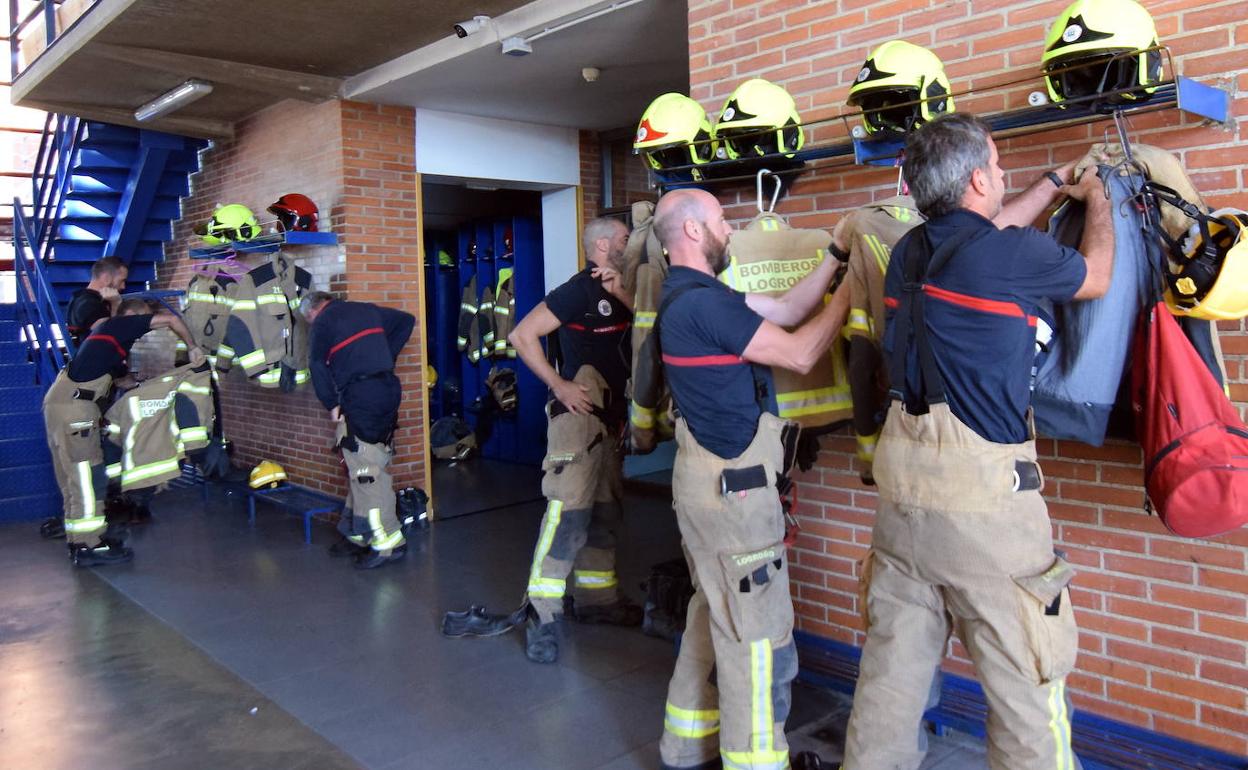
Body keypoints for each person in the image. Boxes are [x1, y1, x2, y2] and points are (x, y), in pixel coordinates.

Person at [841, 113, 1113, 770]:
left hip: (902, 503)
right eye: (995, 165)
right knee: (1027, 688)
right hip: (984, 511)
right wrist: (1099, 196)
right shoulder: (1012, 255)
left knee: (890, 685)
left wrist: (1051, 184)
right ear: (976, 179)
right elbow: (1097, 274)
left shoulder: (909, 250)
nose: (1002, 175)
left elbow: (987, 232)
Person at [652, 188, 849, 770]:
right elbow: (799, 352)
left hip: (707, 485)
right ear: (692, 232)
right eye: (720, 220)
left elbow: (787, 310)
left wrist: (836, 255)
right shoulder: (702, 305)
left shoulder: (696, 297)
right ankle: (757, 761)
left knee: (712, 615)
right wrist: (853, 293)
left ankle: (686, 747)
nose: (731, 229)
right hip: (732, 494)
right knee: (755, 638)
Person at [505, 216, 642, 664]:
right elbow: (522, 336)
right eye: (624, 238)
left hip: (610, 421)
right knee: (568, 514)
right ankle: (540, 613)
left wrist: (621, 290)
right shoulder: (576, 290)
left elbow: (649, 327)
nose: (629, 243)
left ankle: (597, 601)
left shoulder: (624, 288)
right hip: (576, 423)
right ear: (603, 244)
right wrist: (559, 384)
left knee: (604, 513)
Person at [44, 298, 202, 566]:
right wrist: (193, 348)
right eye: (147, 318)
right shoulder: (120, 325)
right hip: (75, 412)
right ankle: (88, 545)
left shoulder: (106, 339)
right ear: (135, 315)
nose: (149, 326)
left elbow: (123, 381)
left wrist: (147, 384)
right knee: (88, 479)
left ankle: (78, 540)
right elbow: (173, 320)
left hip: (60, 406)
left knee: (73, 480)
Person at [301, 291, 415, 570]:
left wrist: (330, 404)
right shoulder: (367, 309)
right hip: (387, 389)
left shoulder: (323, 322)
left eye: (308, 319)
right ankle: (358, 533)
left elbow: (316, 364)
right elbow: (406, 321)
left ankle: (387, 544)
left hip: (360, 394)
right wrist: (386, 356)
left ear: (313, 311)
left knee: (366, 470)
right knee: (362, 461)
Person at [66, 256, 128, 348]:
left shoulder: (86, 299)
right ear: (106, 278)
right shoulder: (87, 303)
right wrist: (116, 304)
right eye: (121, 281)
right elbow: (108, 333)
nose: (123, 286)